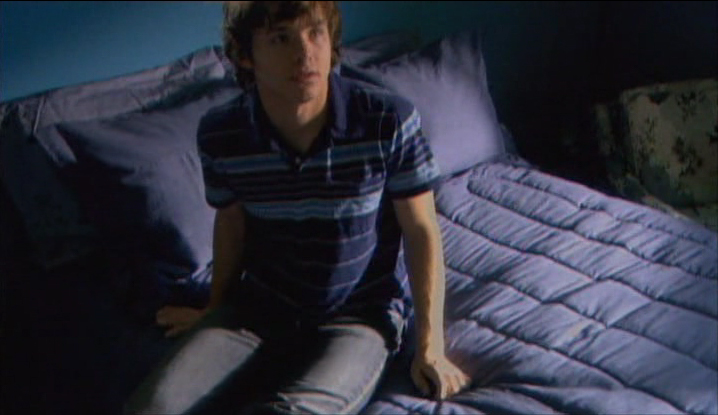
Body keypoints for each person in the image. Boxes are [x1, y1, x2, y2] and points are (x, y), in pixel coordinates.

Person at [124, 1, 469, 414]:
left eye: (315, 33)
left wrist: (430, 347)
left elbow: (421, 230)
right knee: (151, 408)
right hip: (259, 307)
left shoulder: (386, 120)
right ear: (246, 55)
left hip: (359, 314)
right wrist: (214, 309)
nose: (305, 53)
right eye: (281, 39)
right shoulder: (222, 133)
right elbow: (231, 223)